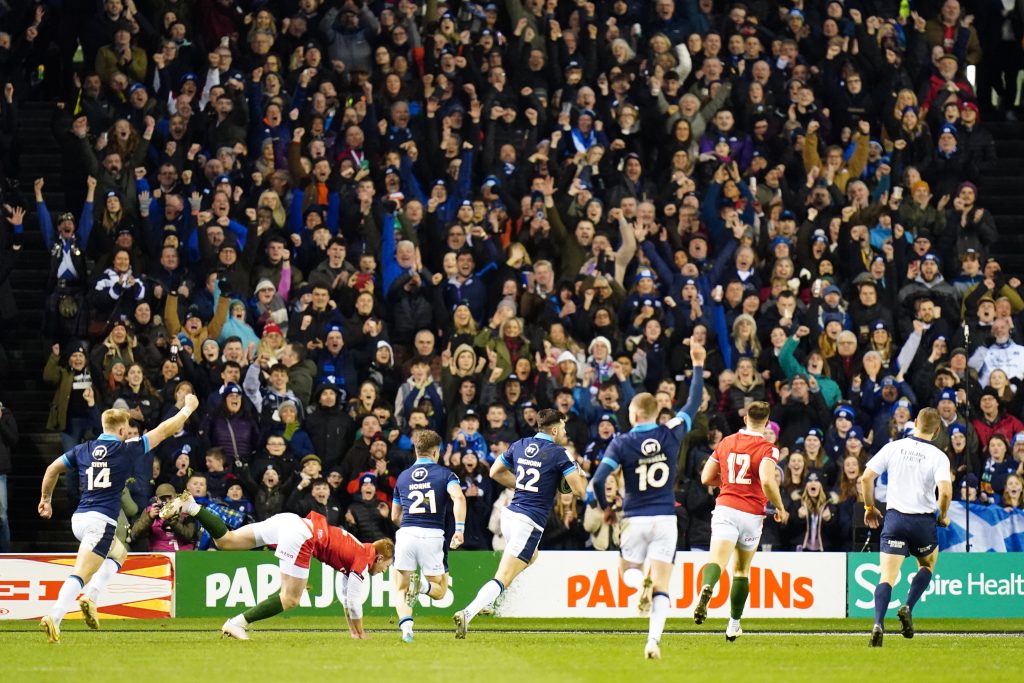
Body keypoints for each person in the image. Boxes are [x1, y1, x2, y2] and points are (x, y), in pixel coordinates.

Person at [36, 393, 199, 642]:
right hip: (100, 522)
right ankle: (54, 617)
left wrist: (46, 500)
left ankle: (91, 597)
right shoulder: (126, 449)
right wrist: (187, 409)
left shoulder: (83, 449)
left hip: (79, 519)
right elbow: (165, 430)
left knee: (119, 552)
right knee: (81, 573)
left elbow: (51, 469)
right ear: (123, 430)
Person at [589, 339, 705, 659]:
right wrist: (697, 365)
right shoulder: (671, 432)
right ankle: (653, 641)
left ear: (636, 413)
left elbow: (600, 480)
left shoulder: (622, 442)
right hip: (667, 517)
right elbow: (693, 403)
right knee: (663, 584)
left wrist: (607, 508)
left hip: (635, 516)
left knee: (627, 567)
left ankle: (639, 580)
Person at [160, 492, 394, 640]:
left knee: (226, 541)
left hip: (290, 520)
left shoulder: (360, 548)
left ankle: (191, 507)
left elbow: (346, 599)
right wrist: (361, 634)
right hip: (303, 536)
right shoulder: (363, 562)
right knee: (290, 598)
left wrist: (354, 631)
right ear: (380, 558)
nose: (383, 572)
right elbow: (353, 602)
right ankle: (236, 623)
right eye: (386, 567)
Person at [452, 409, 587, 638]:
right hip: (529, 522)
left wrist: (521, 486)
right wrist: (576, 470)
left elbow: (495, 472)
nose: (564, 432)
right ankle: (468, 612)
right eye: (563, 428)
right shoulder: (559, 453)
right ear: (554, 430)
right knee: (503, 577)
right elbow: (580, 490)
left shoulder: (520, 444)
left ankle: (489, 598)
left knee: (532, 556)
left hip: (510, 516)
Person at [692, 400, 787, 641]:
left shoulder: (726, 442)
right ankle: (733, 624)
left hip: (726, 508)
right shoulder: (768, 448)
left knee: (716, 560)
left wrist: (726, 484)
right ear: (766, 423)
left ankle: (707, 588)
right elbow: (767, 480)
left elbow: (705, 477)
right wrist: (780, 506)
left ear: (745, 419)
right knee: (741, 570)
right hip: (752, 514)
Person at [858, 407, 952, 647]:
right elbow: (946, 492)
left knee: (887, 577)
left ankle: (878, 623)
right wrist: (943, 515)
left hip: (895, 519)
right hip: (922, 522)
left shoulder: (894, 447)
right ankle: (908, 606)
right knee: (927, 564)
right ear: (937, 430)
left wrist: (869, 507)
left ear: (915, 423)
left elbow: (866, 477)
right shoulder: (938, 456)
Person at [391, 429, 467, 643]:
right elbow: (459, 498)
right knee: (441, 591)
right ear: (436, 452)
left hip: (406, 533)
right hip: (432, 535)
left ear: (416, 451)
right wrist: (459, 529)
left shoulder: (403, 477)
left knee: (400, 589)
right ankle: (423, 586)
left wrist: (408, 526)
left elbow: (394, 515)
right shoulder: (446, 475)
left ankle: (406, 630)